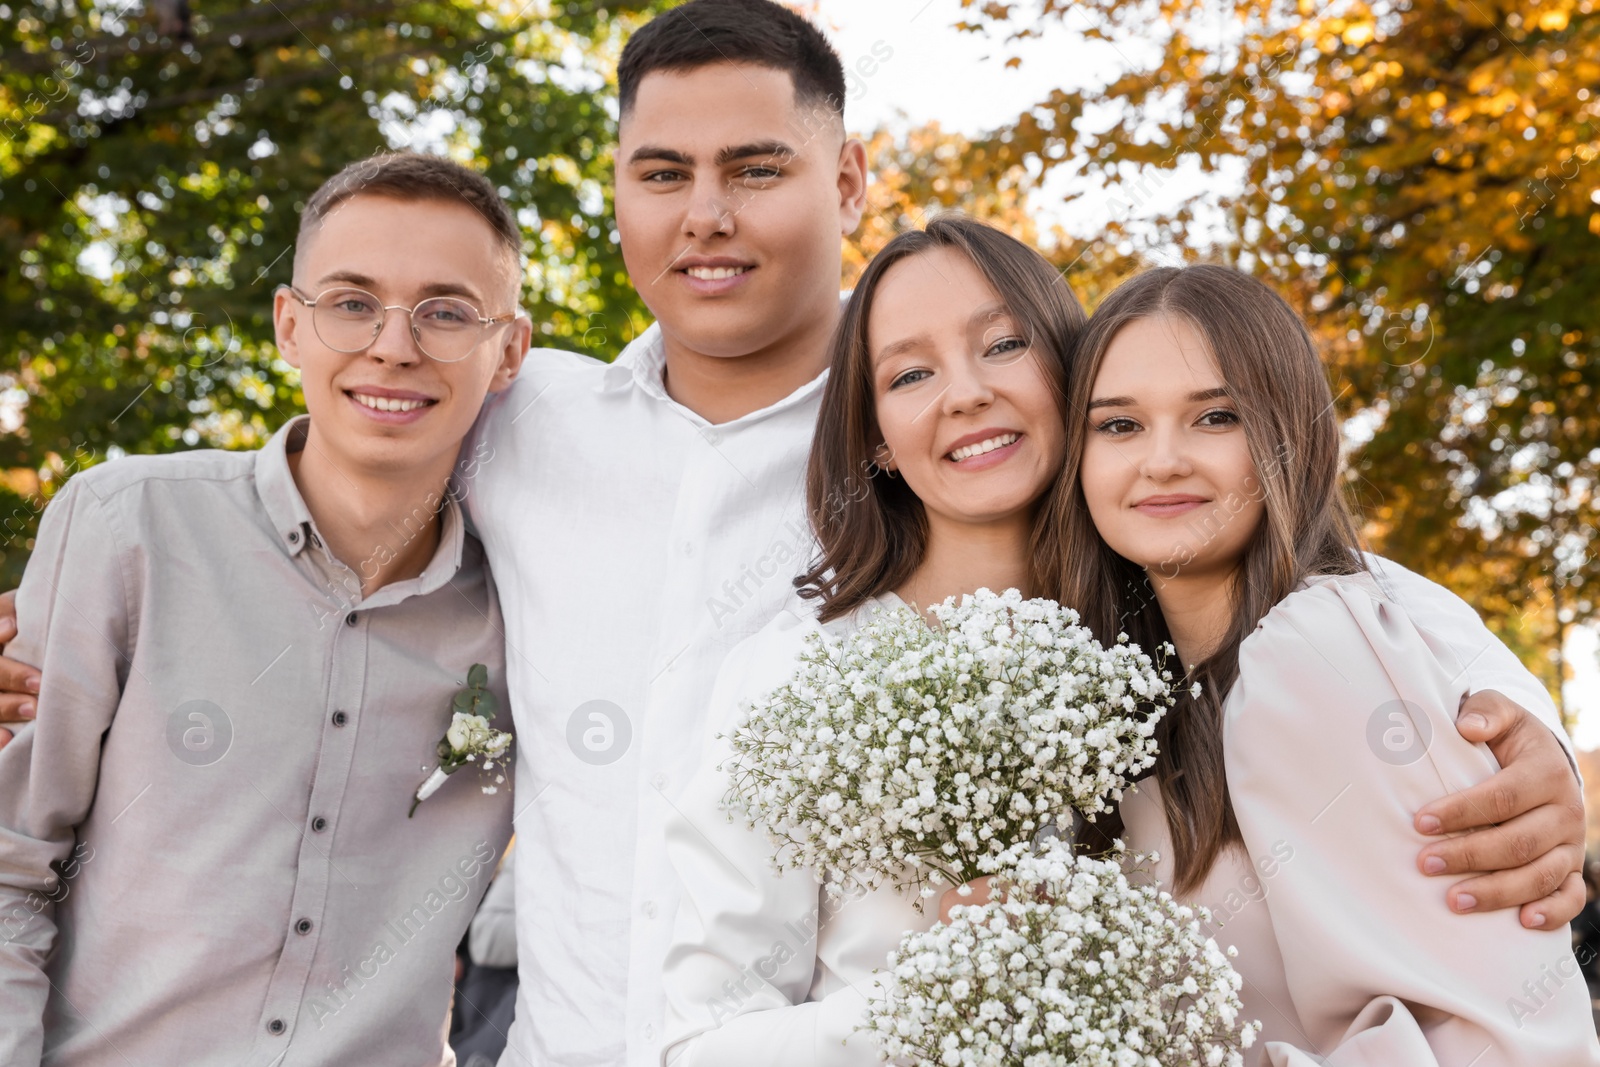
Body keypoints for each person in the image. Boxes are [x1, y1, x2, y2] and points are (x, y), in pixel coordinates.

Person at [0, 3, 1585, 1064]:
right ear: (614, 194)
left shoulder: (978, 413)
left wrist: (1534, 747)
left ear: (847, 175)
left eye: (757, 169)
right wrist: (49, 611)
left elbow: (1249, 507)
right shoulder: (519, 415)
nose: (708, 216)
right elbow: (330, 451)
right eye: (663, 172)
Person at [660, 219, 1600, 1065]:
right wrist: (946, 993)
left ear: (1072, 382)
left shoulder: (1169, 620)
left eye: (1004, 344)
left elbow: (1347, 599)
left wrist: (1536, 742)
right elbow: (698, 1042)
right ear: (873, 436)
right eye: (910, 373)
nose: (968, 392)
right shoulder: (794, 679)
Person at [0, 154, 525, 1065]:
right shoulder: (128, 528)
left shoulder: (531, 609)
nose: (393, 345)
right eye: (352, 302)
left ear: (509, 350)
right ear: (291, 324)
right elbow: (10, 863)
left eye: (446, 311)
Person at [1056, 262, 1600, 1061]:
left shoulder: (1317, 650)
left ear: (1292, 435)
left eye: (1215, 417)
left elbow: (1487, 1036)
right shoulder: (1125, 701)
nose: (1162, 460)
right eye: (1119, 425)